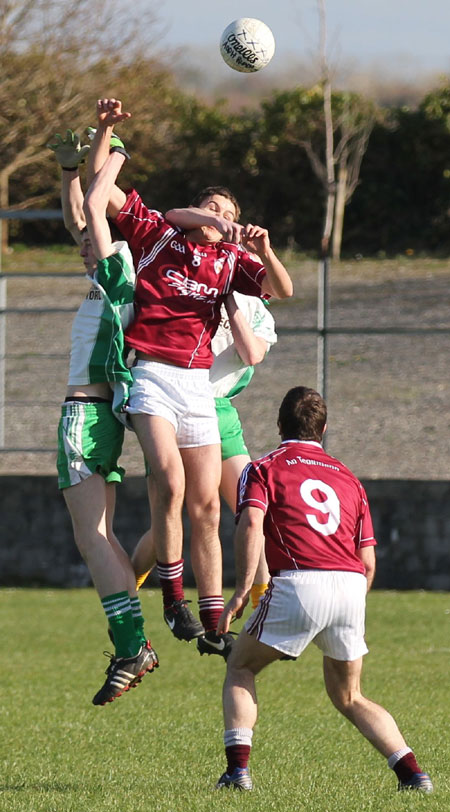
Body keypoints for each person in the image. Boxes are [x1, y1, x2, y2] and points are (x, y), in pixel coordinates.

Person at [89, 97, 293, 654]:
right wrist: (106, 133)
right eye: (213, 205)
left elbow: (283, 289)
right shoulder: (162, 236)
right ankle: (172, 598)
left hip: (197, 384)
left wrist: (263, 248)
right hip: (152, 372)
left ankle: (211, 624)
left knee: (207, 505)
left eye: (228, 208)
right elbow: (102, 196)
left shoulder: (231, 264)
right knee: (169, 479)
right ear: (199, 210)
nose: (222, 214)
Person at [214, 386, 433, 793]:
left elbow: (251, 525)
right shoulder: (349, 478)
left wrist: (243, 589)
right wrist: (342, 609)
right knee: (350, 695)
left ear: (279, 426)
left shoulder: (262, 468)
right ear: (324, 429)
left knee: (241, 666)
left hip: (299, 581)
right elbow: (368, 562)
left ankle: (237, 773)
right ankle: (413, 775)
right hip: (350, 586)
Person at [48, 130, 158, 706]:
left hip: (85, 416)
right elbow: (77, 218)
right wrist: (69, 168)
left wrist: (112, 150)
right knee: (103, 538)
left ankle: (132, 643)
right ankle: (133, 638)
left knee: (91, 541)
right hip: (101, 418)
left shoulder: (118, 271)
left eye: (94, 243)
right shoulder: (110, 279)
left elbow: (90, 213)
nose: (83, 247)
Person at [131, 291, 277, 657]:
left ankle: (262, 612)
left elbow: (252, 353)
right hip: (173, 401)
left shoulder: (257, 310)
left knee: (253, 509)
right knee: (170, 515)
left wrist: (234, 303)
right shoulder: (195, 282)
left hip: (221, 412)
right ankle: (123, 587)